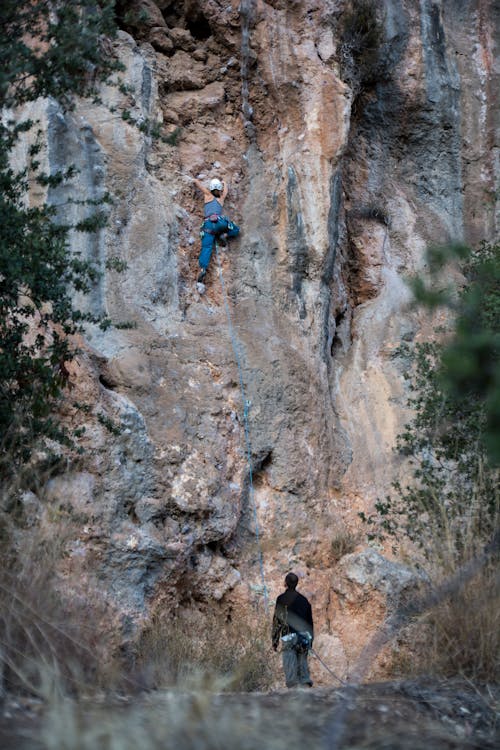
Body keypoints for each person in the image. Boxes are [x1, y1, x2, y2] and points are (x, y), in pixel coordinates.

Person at [193, 176, 240, 284]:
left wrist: (195, 180)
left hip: (208, 226)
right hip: (220, 223)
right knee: (236, 229)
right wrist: (224, 182)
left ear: (211, 188)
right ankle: (225, 235)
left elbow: (199, 185)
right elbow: (226, 191)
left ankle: (203, 269)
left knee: (206, 247)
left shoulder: (208, 195)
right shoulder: (221, 199)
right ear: (219, 189)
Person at [272, 572, 314, 688]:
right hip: (303, 637)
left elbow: (277, 621)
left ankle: (294, 696)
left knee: (291, 674)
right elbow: (310, 622)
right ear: (296, 584)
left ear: (285, 583)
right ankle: (306, 691)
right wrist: (311, 641)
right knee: (303, 667)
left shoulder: (281, 599)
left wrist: (275, 640)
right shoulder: (304, 600)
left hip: (288, 636)